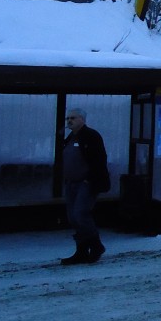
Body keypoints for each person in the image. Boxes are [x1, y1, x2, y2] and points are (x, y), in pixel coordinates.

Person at [59, 107, 109, 265]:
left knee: (80, 214)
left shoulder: (91, 136)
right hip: (71, 183)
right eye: (68, 118)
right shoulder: (70, 138)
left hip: (86, 183)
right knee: (73, 217)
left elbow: (99, 160)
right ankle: (81, 250)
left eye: (73, 118)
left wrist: (90, 180)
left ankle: (96, 246)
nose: (69, 121)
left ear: (82, 119)